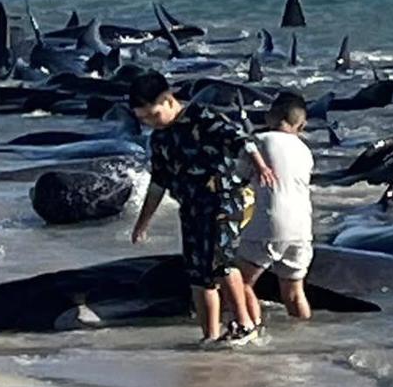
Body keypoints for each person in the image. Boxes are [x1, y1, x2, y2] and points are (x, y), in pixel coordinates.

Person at [129, 71, 278, 345]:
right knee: (198, 274)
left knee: (221, 263)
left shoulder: (203, 117)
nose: (149, 123)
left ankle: (244, 325)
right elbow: (158, 183)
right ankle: (209, 335)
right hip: (191, 208)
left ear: (168, 99)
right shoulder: (159, 139)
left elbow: (242, 139)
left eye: (152, 115)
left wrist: (260, 166)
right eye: (142, 120)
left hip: (222, 201)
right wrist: (143, 223)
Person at [236, 92, 315, 324]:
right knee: (293, 293)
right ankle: (305, 338)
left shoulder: (259, 141)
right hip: (302, 228)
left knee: (239, 283)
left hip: (269, 223)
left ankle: (252, 331)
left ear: (269, 116)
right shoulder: (305, 151)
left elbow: (239, 176)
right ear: (301, 124)